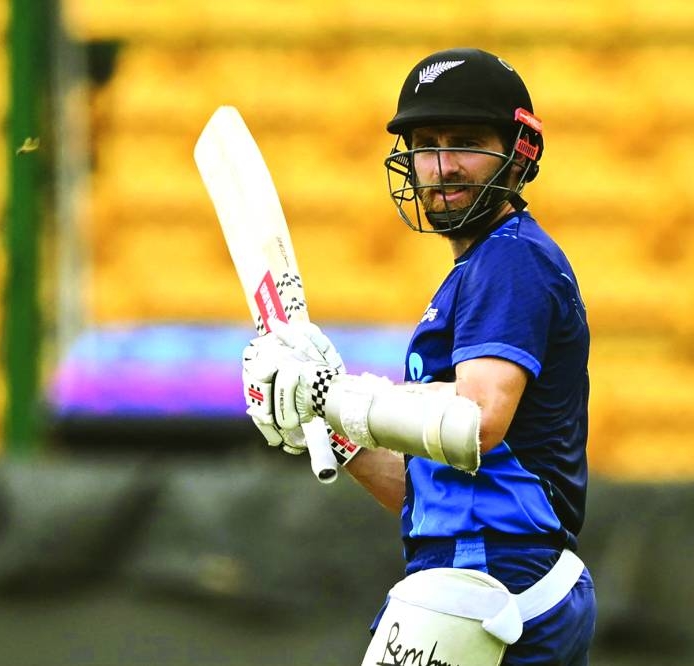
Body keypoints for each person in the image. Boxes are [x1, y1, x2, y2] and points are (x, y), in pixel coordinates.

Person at [241, 47, 596, 666]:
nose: (441, 165)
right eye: (425, 144)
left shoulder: (510, 260)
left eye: (464, 141)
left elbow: (475, 420)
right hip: (479, 574)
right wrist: (329, 427)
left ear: (520, 152)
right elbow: (429, 490)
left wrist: (334, 393)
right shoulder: (481, 269)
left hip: (489, 578)